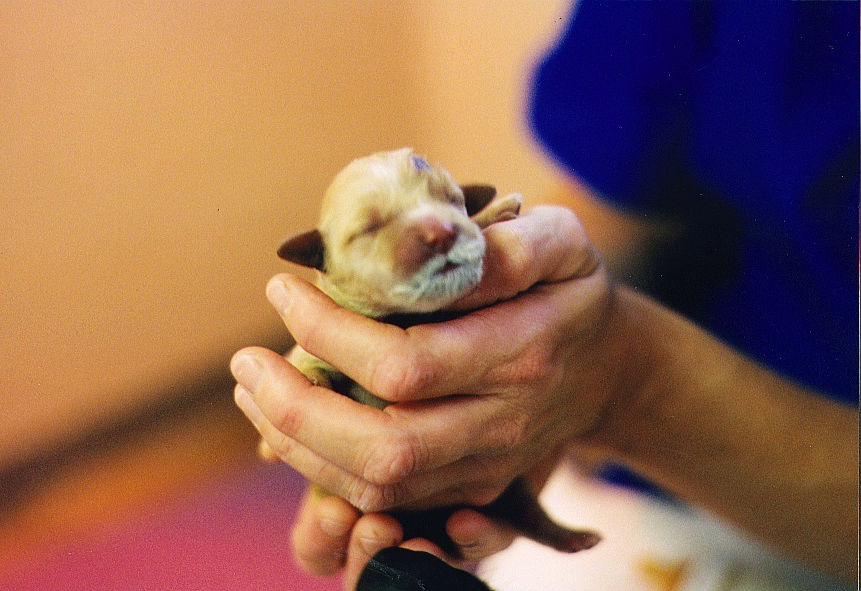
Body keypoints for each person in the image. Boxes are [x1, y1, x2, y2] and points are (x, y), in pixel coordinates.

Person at [231, 2, 858, 589]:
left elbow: (616, 378)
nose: (434, 228)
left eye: (445, 202)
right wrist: (528, 314)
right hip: (645, 480)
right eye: (373, 230)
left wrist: (626, 385)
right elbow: (611, 197)